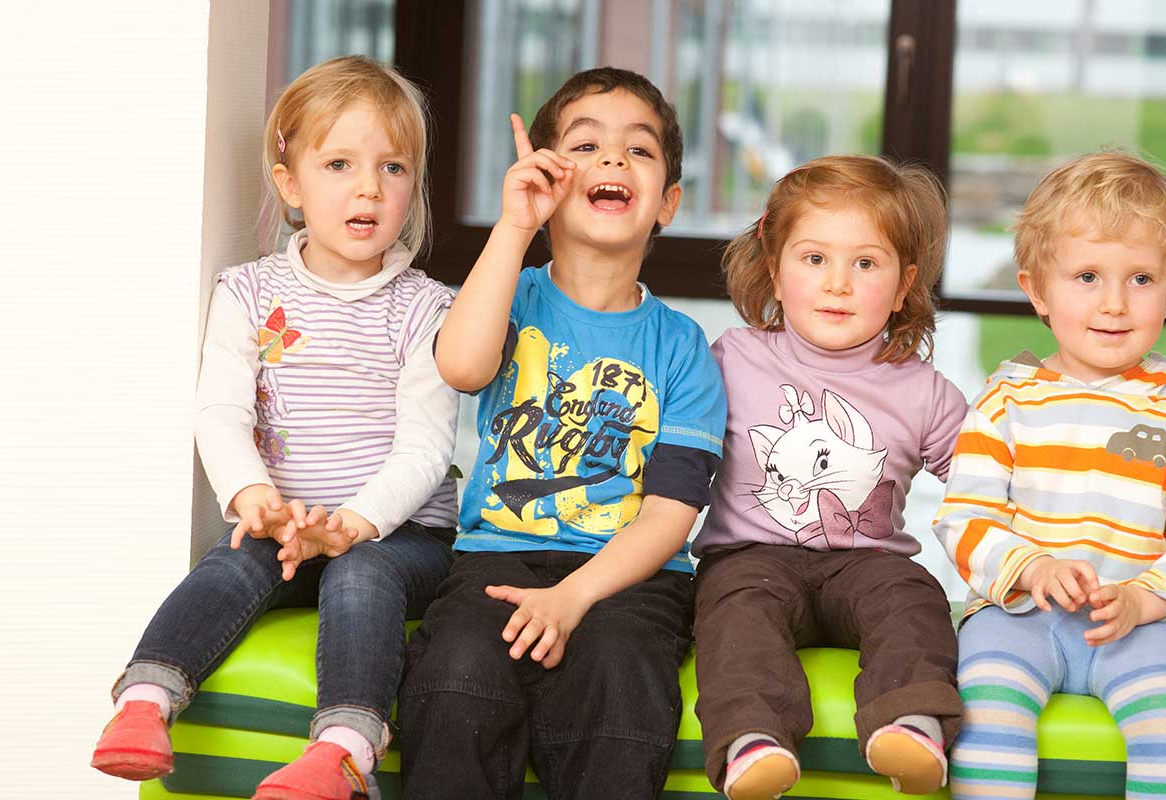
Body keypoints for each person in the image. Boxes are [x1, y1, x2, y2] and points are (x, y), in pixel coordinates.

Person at [89, 55, 458, 800]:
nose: (368, 187)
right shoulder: (250, 291)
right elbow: (222, 411)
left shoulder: (425, 307)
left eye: (393, 168)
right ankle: (145, 699)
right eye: (340, 164)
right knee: (230, 562)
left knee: (361, 575)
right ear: (290, 183)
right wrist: (253, 495)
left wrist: (353, 524)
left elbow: (427, 445)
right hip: (287, 523)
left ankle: (346, 746)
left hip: (398, 535)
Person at [396, 67, 727, 800]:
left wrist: (575, 597)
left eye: (639, 151)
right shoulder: (508, 293)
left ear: (668, 202)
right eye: (587, 145)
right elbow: (460, 363)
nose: (613, 160)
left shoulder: (682, 346)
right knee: (456, 675)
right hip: (494, 555)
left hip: (628, 577)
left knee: (620, 674)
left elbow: (672, 513)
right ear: (548, 176)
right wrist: (516, 225)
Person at [934, 151, 1166, 800]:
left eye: (1140, 279)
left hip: (1142, 624)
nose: (1113, 303)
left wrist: (1145, 597)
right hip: (1016, 614)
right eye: (1086, 276)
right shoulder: (1007, 400)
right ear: (1037, 289)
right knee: (985, 713)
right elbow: (964, 517)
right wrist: (1031, 568)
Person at [690, 155, 967, 798]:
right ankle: (753, 742)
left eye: (866, 264)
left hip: (866, 563)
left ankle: (912, 725)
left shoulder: (923, 392)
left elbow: (985, 487)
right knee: (735, 616)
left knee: (914, 597)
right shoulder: (732, 358)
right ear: (775, 270)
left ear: (903, 287)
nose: (838, 283)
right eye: (815, 259)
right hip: (748, 558)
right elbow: (676, 457)